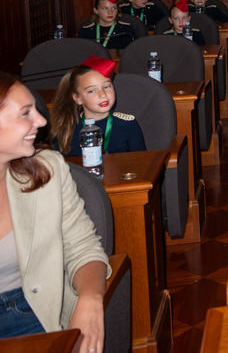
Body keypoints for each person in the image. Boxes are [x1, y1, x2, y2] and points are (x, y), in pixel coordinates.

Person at [0, 72, 109, 346]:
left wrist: (90, 297)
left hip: (35, 312)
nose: (41, 121)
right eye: (26, 113)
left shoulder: (46, 170)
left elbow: (83, 247)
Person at [50, 57, 146, 157]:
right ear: (78, 98)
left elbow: (141, 162)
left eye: (107, 87)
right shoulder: (67, 125)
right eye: (92, 91)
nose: (103, 94)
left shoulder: (127, 124)